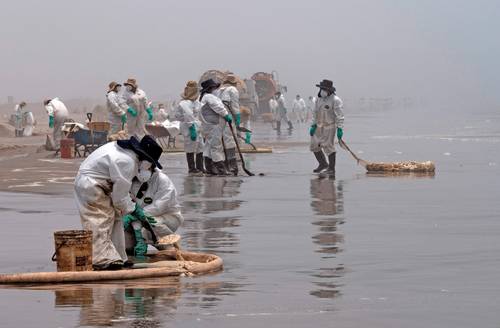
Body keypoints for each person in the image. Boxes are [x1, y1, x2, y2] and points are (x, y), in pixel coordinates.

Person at [74, 135, 163, 270]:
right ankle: (101, 259)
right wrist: (133, 209)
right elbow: (119, 199)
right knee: (100, 219)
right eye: (150, 163)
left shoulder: (127, 154)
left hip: (97, 183)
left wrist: (128, 205)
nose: (149, 167)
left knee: (116, 218)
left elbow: (121, 191)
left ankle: (118, 257)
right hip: (91, 185)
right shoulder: (126, 161)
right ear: (145, 159)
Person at [123, 167, 183, 256]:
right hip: (137, 218)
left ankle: (169, 246)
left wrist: (141, 214)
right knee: (125, 240)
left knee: (152, 223)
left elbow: (162, 204)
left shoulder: (162, 179)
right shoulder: (129, 179)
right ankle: (136, 247)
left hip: (166, 216)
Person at [309, 79, 344, 175]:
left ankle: (331, 168)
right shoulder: (318, 99)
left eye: (324, 89)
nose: (322, 91)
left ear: (329, 90)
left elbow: (340, 116)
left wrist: (340, 128)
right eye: (321, 89)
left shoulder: (335, 100)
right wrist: (313, 125)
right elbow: (315, 113)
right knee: (314, 145)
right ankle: (323, 164)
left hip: (330, 126)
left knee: (328, 147)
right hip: (318, 126)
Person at [199, 79, 232, 176]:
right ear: (211, 88)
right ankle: (221, 169)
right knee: (216, 146)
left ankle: (210, 168)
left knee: (209, 146)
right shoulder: (209, 97)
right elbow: (218, 107)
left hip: (209, 125)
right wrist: (226, 115)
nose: (216, 89)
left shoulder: (203, 97)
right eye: (214, 87)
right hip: (214, 125)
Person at [175, 80, 205, 174]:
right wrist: (191, 128)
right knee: (190, 147)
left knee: (200, 146)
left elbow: (199, 112)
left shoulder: (196, 102)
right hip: (188, 128)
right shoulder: (185, 103)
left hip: (197, 127)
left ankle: (200, 167)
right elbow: (187, 115)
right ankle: (192, 168)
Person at [218, 74, 240, 175]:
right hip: (228, 118)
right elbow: (235, 106)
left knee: (222, 142)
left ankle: (225, 165)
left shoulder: (220, 90)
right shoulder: (233, 90)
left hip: (219, 119)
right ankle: (232, 166)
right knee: (230, 141)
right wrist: (237, 118)